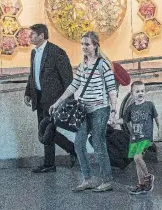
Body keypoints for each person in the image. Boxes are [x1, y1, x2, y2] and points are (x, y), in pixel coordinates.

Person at [49, 31, 117, 192]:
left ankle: (107, 180)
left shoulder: (103, 64)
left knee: (99, 144)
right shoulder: (83, 65)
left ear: (95, 45)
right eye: (82, 44)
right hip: (84, 109)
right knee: (79, 144)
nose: (84, 47)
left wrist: (114, 109)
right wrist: (58, 102)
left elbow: (112, 88)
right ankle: (88, 179)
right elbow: (74, 85)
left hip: (100, 109)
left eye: (87, 44)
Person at [24, 24, 76, 173]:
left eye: (32, 34)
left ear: (41, 36)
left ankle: (52, 162)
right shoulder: (34, 53)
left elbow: (67, 78)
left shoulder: (56, 52)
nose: (30, 37)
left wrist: (68, 100)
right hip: (39, 98)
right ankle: (58, 158)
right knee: (46, 130)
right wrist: (28, 92)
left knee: (48, 130)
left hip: (54, 99)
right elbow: (32, 74)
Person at [123, 81, 159, 194]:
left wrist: (158, 130)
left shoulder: (149, 105)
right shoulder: (130, 108)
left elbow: (157, 118)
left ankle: (148, 176)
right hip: (134, 138)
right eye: (137, 91)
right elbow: (124, 120)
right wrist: (112, 120)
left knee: (137, 157)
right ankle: (141, 184)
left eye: (142, 91)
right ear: (132, 93)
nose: (140, 93)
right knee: (138, 163)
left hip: (146, 137)